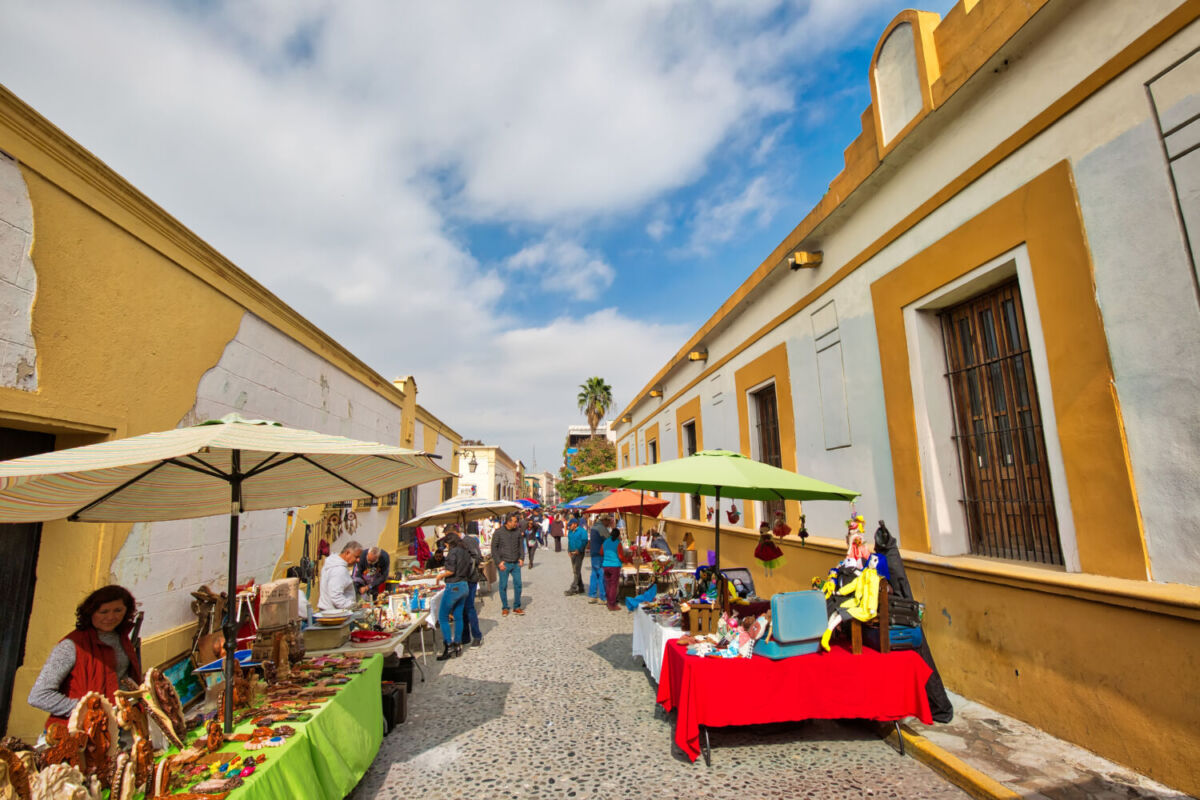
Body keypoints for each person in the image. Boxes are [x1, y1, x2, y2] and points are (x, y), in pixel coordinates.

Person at [29, 585, 141, 730]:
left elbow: (122, 676)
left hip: (114, 728)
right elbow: (38, 696)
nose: (111, 617)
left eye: (118, 610)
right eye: (103, 611)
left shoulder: (121, 637)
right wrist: (88, 711)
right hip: (76, 731)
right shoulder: (71, 646)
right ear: (90, 613)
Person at [434, 532, 474, 660]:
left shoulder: (453, 552)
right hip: (464, 585)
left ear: (449, 543)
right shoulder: (465, 550)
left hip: (454, 586)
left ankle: (448, 645)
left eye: (445, 544)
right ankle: (458, 644)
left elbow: (451, 570)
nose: (445, 546)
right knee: (458, 616)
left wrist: (440, 576)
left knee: (443, 617)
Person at [457, 524, 486, 648]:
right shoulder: (458, 543)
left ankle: (477, 636)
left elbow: (477, 558)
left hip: (470, 578)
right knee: (462, 608)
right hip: (461, 579)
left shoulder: (468, 541)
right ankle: (465, 636)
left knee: (469, 607)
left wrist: (464, 562)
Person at [492, 512, 526, 616]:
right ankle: (505, 607)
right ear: (508, 522)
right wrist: (499, 562)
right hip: (504, 563)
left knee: (518, 584)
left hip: (515, 563)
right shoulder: (498, 532)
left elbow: (521, 546)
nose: (517, 523)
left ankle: (517, 606)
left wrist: (521, 558)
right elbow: (494, 548)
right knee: (503, 586)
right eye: (515, 521)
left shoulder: (517, 532)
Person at [318, 540, 362, 611]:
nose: (358, 560)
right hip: (335, 614)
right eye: (356, 557)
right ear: (347, 553)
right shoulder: (339, 570)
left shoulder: (332, 563)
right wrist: (354, 606)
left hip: (329, 610)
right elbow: (336, 597)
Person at [587, 514, 611, 605]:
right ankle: (602, 597)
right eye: (608, 521)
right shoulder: (601, 528)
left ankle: (592, 596)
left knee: (594, 574)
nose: (609, 523)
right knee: (602, 575)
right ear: (604, 520)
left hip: (594, 553)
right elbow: (610, 540)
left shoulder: (594, 527)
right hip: (600, 554)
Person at [601, 523, 625, 611]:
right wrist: (627, 560)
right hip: (614, 566)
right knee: (614, 585)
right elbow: (621, 556)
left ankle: (609, 601)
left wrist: (608, 556)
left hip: (605, 565)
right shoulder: (618, 543)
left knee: (608, 584)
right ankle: (612, 604)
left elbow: (601, 552)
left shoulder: (606, 541)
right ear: (618, 535)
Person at [563, 514, 588, 595]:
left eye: (570, 525)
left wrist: (579, 550)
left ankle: (573, 588)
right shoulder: (570, 532)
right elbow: (569, 542)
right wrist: (569, 551)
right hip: (572, 552)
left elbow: (584, 541)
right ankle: (581, 587)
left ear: (575, 524)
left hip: (579, 553)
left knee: (576, 570)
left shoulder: (582, 531)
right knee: (576, 569)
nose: (569, 526)